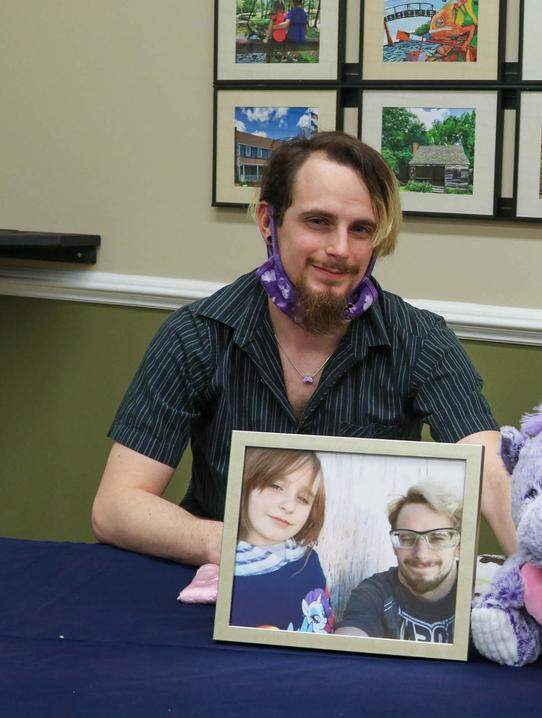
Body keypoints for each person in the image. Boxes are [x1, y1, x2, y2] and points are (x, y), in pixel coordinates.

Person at [91, 131, 517, 567]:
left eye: (361, 230)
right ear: (267, 222)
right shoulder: (196, 336)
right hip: (218, 583)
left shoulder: (420, 340)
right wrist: (239, 547)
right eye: (318, 222)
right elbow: (116, 507)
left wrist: (536, 566)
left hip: (361, 592)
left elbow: (488, 470)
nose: (340, 249)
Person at [335, 482, 463, 643]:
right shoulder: (374, 593)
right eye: (407, 538)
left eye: (437, 538)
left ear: (458, 545)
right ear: (394, 546)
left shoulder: (481, 594)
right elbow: (348, 642)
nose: (421, 554)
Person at [229, 448, 333, 632]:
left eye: (303, 498)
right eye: (275, 486)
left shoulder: (309, 560)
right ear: (245, 481)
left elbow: (325, 625)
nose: (289, 506)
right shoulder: (224, 566)